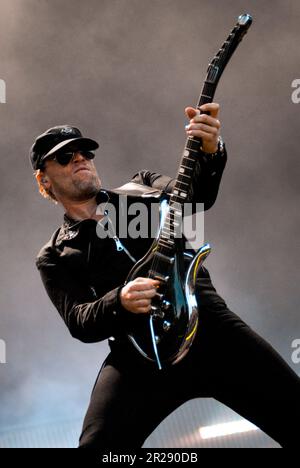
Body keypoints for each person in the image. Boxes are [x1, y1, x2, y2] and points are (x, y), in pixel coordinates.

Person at [30, 103, 300, 448]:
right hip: (139, 356)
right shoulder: (54, 255)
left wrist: (210, 149)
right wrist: (121, 301)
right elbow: (79, 321)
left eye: (84, 151)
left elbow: (195, 197)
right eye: (66, 156)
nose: (80, 158)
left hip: (212, 329)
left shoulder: (142, 186)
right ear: (44, 178)